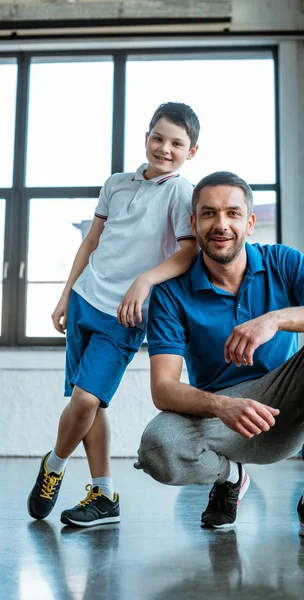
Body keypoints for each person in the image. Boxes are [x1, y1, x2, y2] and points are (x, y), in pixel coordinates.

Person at [135, 171, 304, 546]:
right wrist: (221, 405)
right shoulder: (171, 293)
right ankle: (230, 478)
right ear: (194, 223)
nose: (221, 224)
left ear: (250, 223)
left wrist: (275, 320)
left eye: (232, 213)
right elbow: (163, 389)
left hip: (284, 410)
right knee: (156, 448)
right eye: (209, 214)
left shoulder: (282, 262)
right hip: (221, 423)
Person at [28, 102, 200, 528]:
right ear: (146, 138)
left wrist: (144, 282)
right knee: (92, 404)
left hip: (124, 315)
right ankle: (104, 493)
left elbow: (188, 251)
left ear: (191, 152)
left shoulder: (181, 193)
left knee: (86, 399)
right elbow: (92, 241)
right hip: (87, 298)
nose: (164, 148)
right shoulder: (116, 183)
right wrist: (66, 294)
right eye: (158, 138)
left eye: (176, 143)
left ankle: (54, 464)